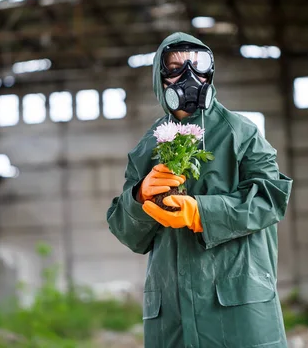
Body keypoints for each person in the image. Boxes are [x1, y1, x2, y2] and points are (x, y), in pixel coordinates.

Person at [106, 32, 293, 348]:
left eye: (198, 65)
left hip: (237, 309)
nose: (190, 76)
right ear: (160, 78)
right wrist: (138, 198)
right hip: (173, 317)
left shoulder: (241, 133)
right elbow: (128, 233)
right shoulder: (147, 147)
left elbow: (269, 199)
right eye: (176, 67)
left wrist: (200, 212)